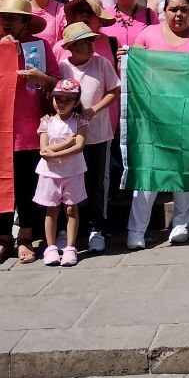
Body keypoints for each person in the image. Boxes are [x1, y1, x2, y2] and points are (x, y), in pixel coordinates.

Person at [125, 0, 189, 250]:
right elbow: (133, 68)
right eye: (173, 9)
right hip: (152, 116)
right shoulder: (148, 35)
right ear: (164, 11)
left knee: (185, 170)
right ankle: (136, 230)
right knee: (148, 172)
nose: (179, 14)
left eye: (184, 9)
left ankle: (182, 224)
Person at [0, 0, 59, 264]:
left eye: (13, 18)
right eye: (5, 19)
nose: (7, 23)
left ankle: (25, 237)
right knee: (2, 188)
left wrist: (44, 79)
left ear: (26, 22)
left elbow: (59, 85)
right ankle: (3, 239)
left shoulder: (41, 47)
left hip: (29, 130)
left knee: (26, 187)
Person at [56, 22, 119, 254]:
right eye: (85, 42)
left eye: (92, 41)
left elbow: (114, 90)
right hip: (68, 137)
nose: (92, 46)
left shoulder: (101, 63)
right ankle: (65, 230)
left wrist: (94, 110)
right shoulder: (63, 67)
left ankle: (97, 228)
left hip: (98, 134)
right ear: (72, 46)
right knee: (68, 182)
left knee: (97, 183)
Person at [33, 77, 87, 268]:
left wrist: (57, 152)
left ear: (76, 102)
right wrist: (67, 143)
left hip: (73, 171)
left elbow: (79, 146)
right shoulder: (46, 122)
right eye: (58, 99)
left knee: (72, 208)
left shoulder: (79, 121)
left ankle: (71, 247)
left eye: (67, 100)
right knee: (51, 208)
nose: (61, 104)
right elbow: (43, 150)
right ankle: (51, 247)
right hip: (50, 174)